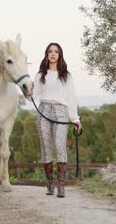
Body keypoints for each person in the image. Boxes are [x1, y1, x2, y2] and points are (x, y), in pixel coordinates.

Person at [33, 42, 82, 198]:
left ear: (60, 55)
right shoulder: (40, 75)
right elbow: (35, 96)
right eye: (50, 51)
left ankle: (61, 185)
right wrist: (28, 94)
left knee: (60, 147)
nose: (53, 54)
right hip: (44, 111)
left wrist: (75, 119)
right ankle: (50, 183)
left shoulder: (66, 76)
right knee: (46, 148)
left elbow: (71, 98)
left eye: (56, 51)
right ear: (46, 55)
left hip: (61, 111)